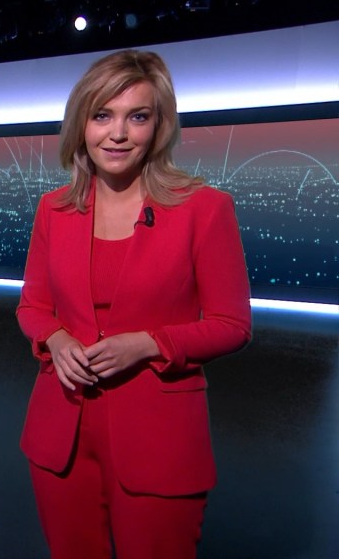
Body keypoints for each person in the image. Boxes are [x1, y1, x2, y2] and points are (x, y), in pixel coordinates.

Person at [16, 49, 252, 559]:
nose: (118, 134)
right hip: (62, 434)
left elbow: (232, 323)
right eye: (102, 115)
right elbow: (32, 306)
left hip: (159, 440)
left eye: (137, 117)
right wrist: (55, 339)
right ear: (81, 124)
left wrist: (149, 344)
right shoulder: (54, 209)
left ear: (159, 126)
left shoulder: (205, 209)